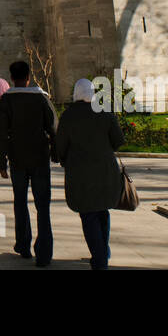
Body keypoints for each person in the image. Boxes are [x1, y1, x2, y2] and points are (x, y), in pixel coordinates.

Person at [55, 78, 123, 270]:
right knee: (102, 211)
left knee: (88, 215)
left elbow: (60, 147)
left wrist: (65, 159)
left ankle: (99, 257)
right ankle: (103, 251)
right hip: (106, 172)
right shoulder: (105, 113)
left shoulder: (68, 116)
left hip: (80, 174)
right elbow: (117, 141)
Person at [0, 60, 57, 268]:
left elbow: (2, 134)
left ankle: (23, 245)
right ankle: (44, 252)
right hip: (40, 158)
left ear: (12, 78)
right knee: (43, 205)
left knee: (20, 202)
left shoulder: (6, 101)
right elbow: (53, 127)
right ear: (29, 77)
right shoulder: (41, 99)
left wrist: (1, 161)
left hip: (18, 159)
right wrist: (56, 154)